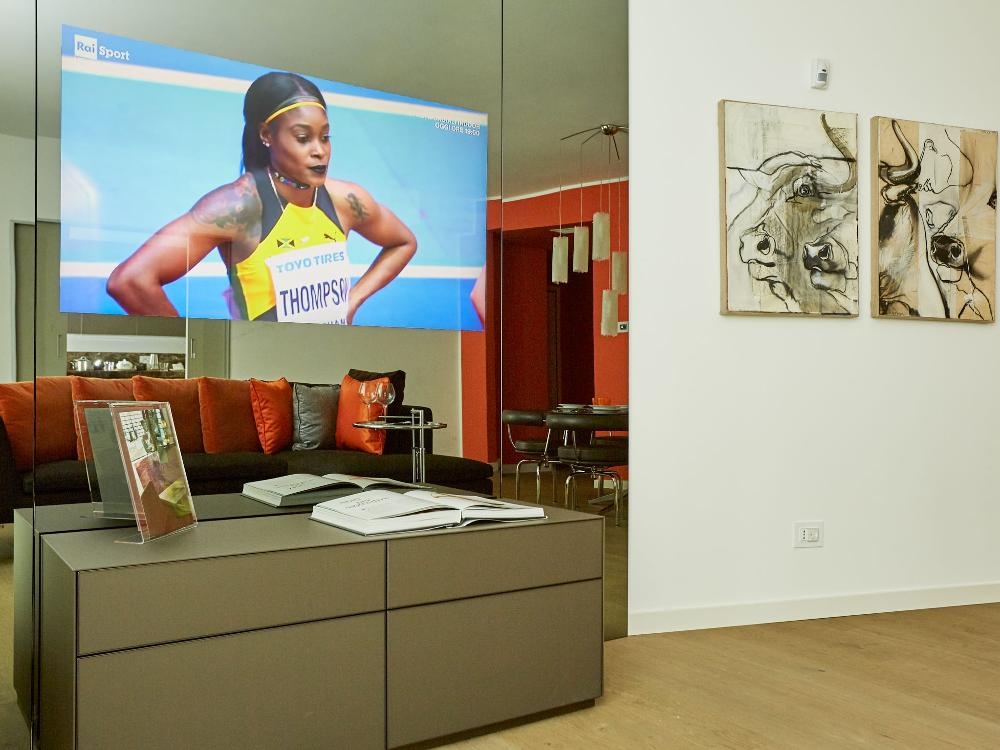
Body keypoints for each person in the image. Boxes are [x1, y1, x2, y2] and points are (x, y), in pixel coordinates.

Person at [107, 71, 416, 324]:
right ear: (267, 134)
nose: (319, 150)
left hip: (331, 360)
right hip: (265, 370)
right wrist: (192, 354)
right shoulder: (240, 206)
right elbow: (130, 281)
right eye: (303, 138)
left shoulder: (345, 199)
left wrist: (353, 300)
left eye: (325, 137)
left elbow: (403, 242)